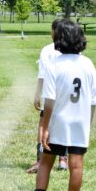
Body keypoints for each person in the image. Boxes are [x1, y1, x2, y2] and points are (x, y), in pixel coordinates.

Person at [20, 19, 96, 191]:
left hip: (59, 120)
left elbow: (50, 100)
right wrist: (87, 124)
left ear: (60, 39)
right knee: (76, 165)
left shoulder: (54, 64)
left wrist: (45, 127)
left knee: (46, 162)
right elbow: (93, 101)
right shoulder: (88, 64)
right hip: (79, 122)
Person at [26, 19, 68, 173]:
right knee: (64, 124)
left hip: (50, 93)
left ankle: (40, 160)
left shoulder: (47, 50)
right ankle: (63, 159)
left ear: (54, 32)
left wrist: (37, 94)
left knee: (44, 124)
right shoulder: (73, 49)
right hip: (66, 94)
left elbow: (42, 75)